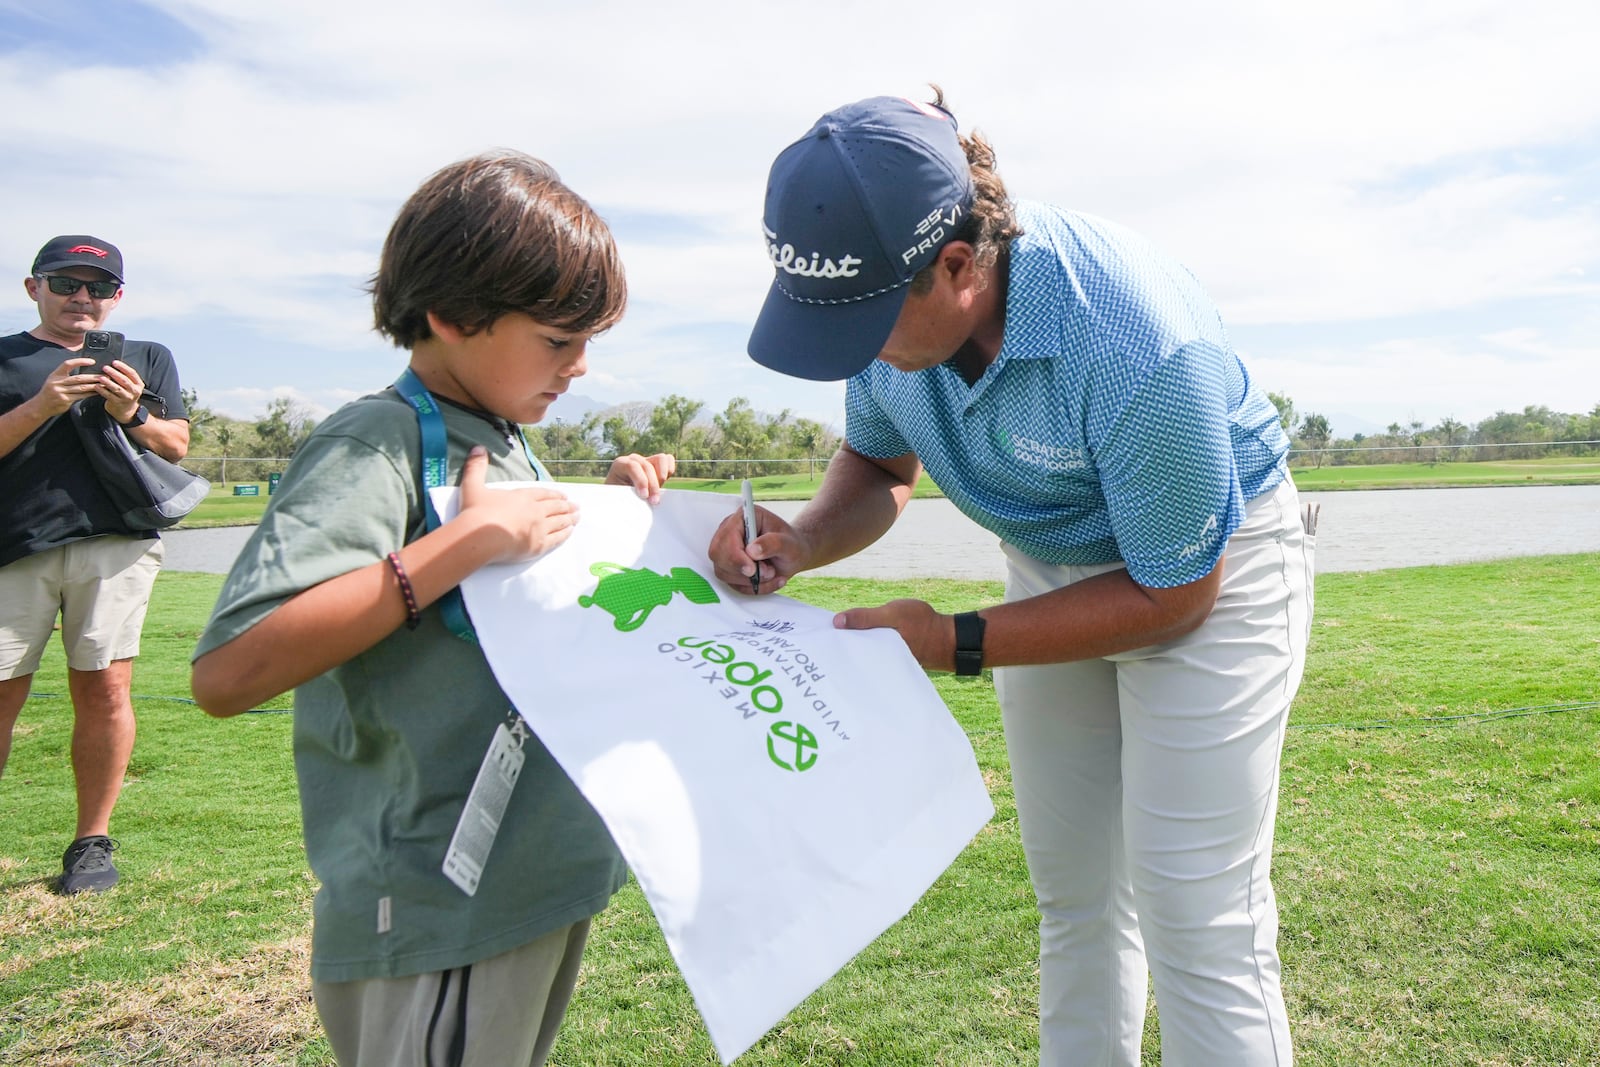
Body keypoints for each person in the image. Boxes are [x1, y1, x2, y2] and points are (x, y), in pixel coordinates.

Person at [709, 91, 1316, 1065]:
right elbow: (878, 467)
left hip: (1213, 571)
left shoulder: (1131, 336)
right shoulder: (884, 317)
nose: (849, 350)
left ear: (957, 266)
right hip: (1052, 564)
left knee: (1195, 905)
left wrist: (955, 640)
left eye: (861, 319)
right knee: (1075, 893)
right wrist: (805, 540)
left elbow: (1173, 594)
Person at [190, 151, 673, 1067]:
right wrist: (458, 547)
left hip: (528, 880)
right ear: (454, 317)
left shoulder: (500, 435)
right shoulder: (376, 441)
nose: (579, 367)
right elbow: (228, 668)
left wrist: (604, 509)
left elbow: (515, 581)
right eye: (559, 339)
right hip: (438, 905)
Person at [1, 235, 191, 895]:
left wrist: (130, 409)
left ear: (117, 297)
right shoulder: (6, 356)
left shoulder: (145, 358)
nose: (83, 298)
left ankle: (91, 842)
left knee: (105, 691)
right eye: (67, 283)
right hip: (12, 548)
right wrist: (43, 403)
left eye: (99, 287)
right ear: (34, 288)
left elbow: (175, 444)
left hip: (116, 544)